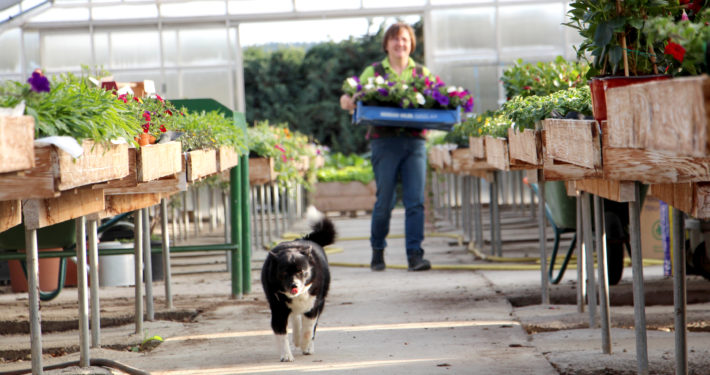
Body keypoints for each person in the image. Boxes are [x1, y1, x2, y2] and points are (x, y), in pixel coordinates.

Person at [339, 22, 432, 272]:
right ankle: (377, 251)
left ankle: (415, 256)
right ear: (386, 44)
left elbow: (438, 97)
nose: (399, 44)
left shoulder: (422, 74)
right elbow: (350, 97)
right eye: (394, 39)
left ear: (411, 44)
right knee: (385, 200)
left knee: (415, 201)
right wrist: (348, 101)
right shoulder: (375, 71)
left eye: (404, 39)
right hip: (384, 141)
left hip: (415, 141)